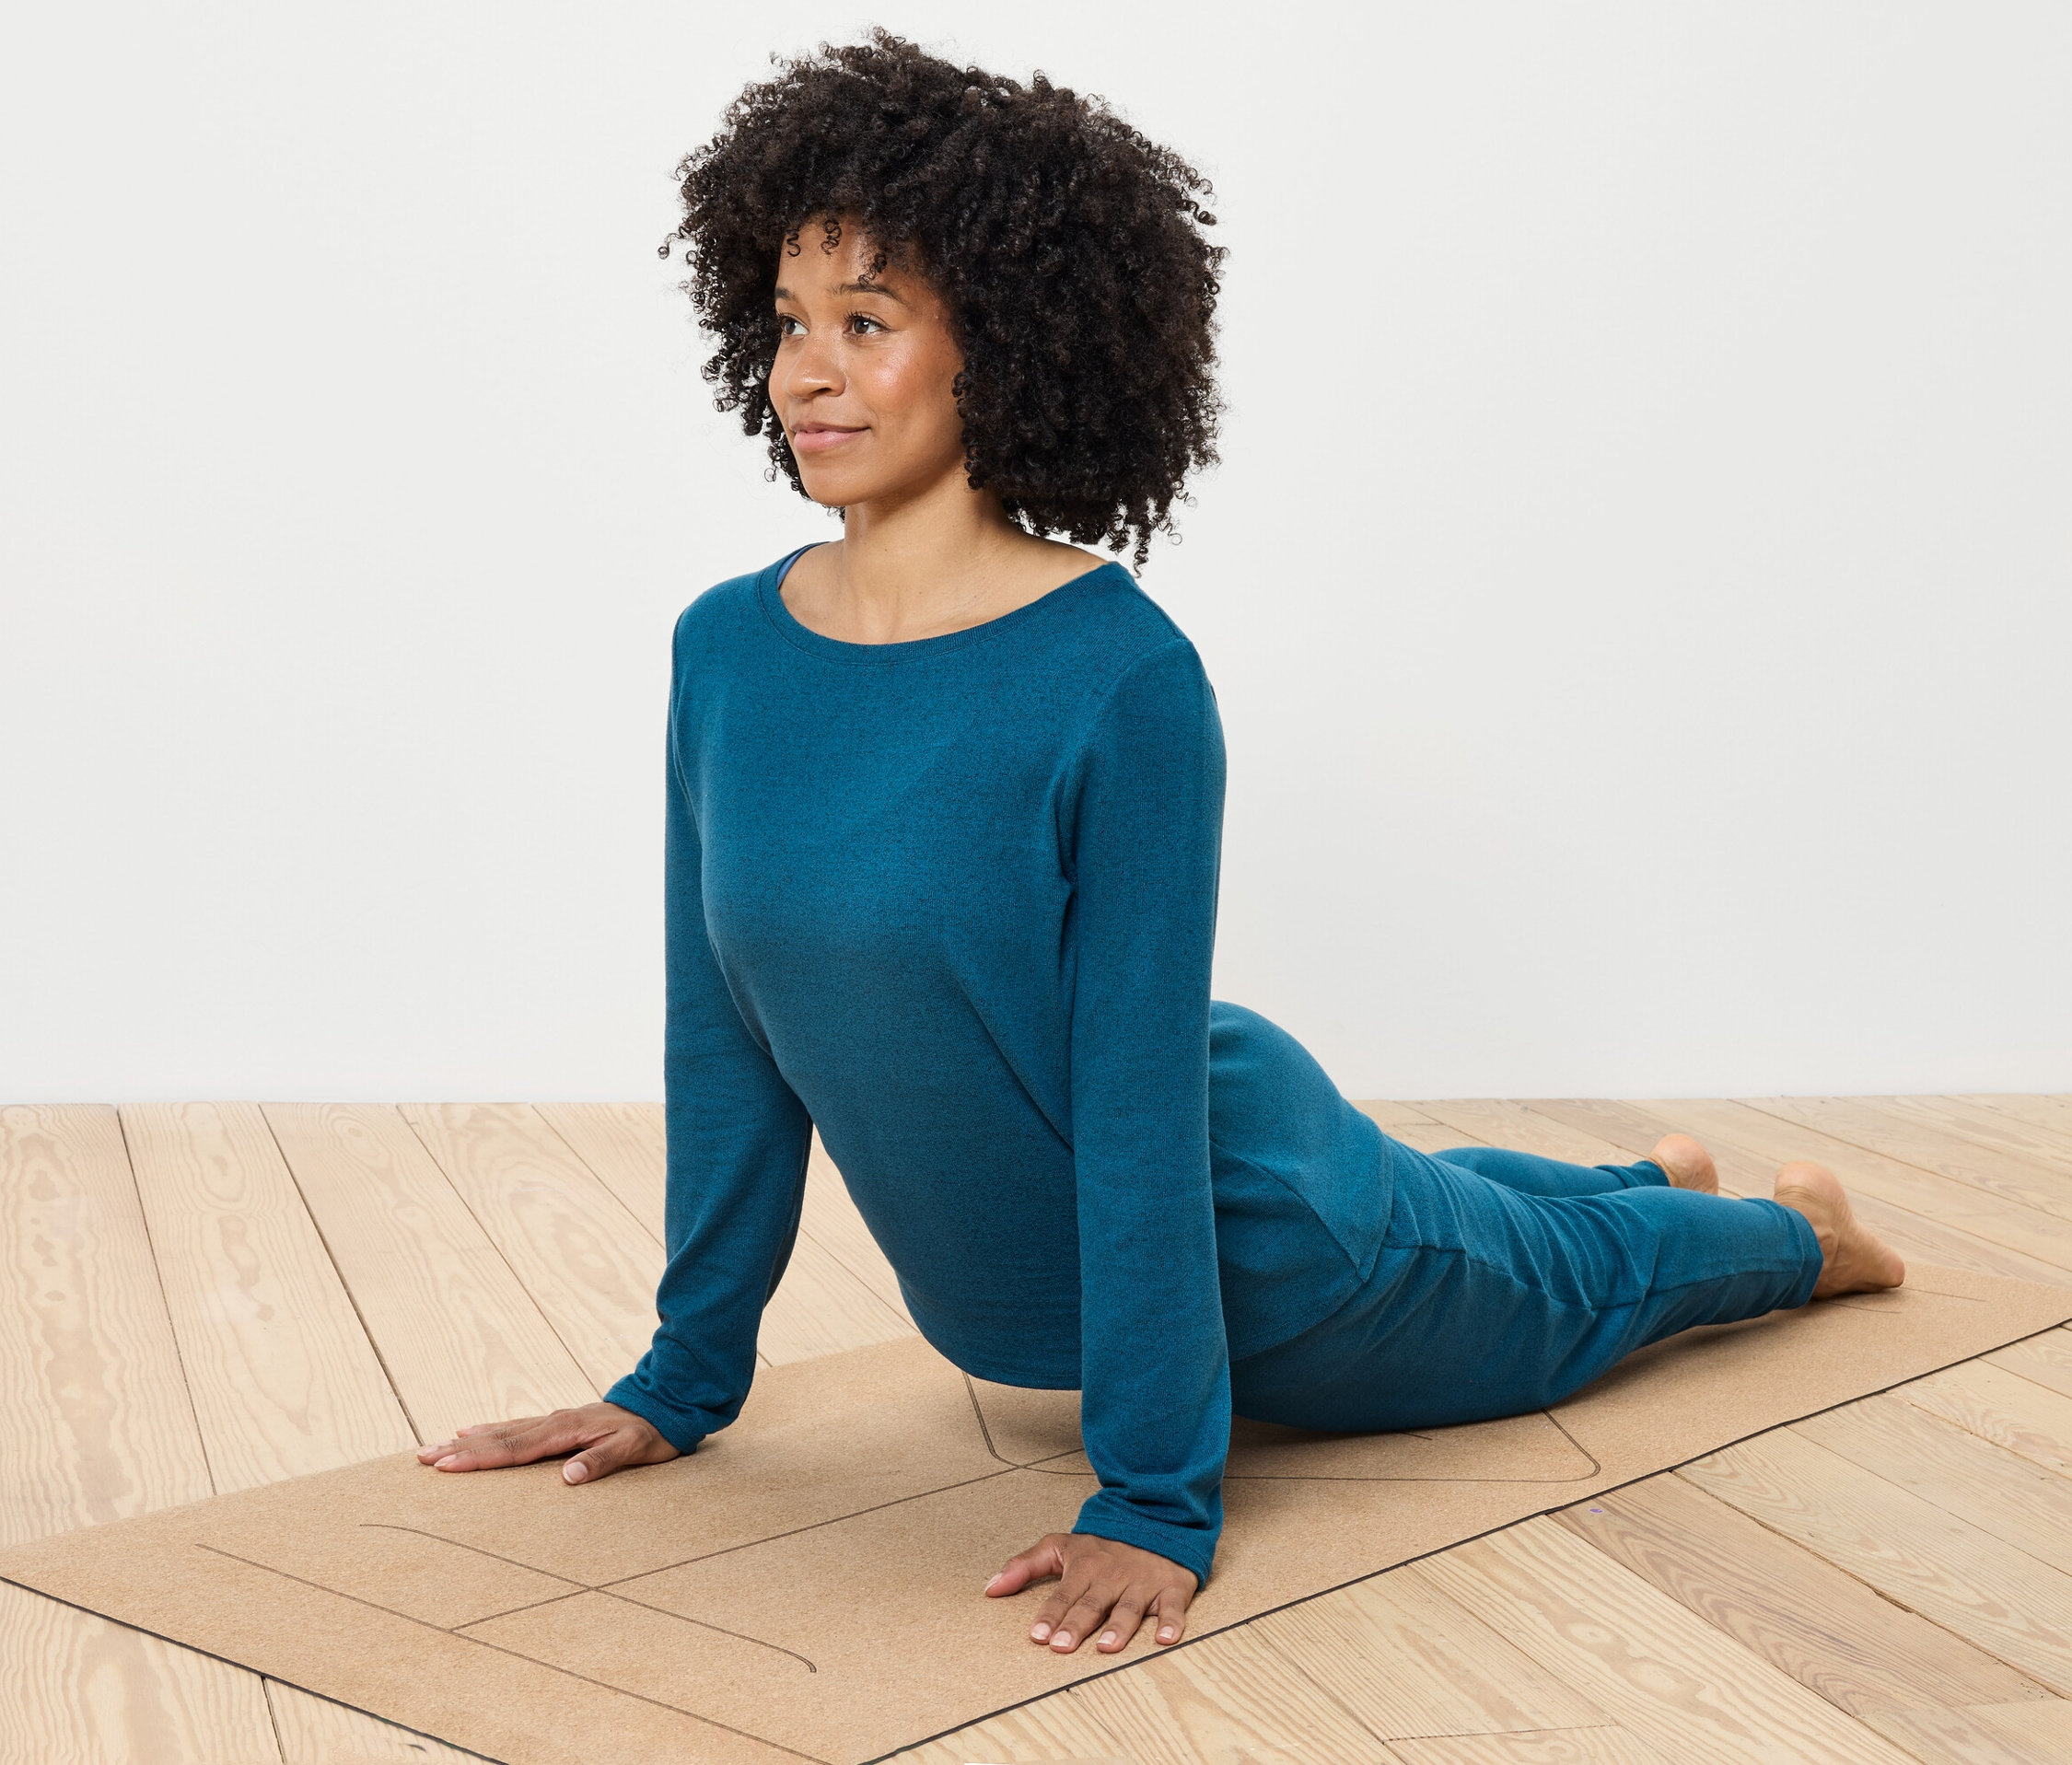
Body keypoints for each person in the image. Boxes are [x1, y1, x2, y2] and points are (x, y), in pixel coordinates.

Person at [416, 28, 1904, 1661]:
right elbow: (729, 1047)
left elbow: (1132, 1110)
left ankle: (1786, 1234)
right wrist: (680, 1385)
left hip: (1272, 1244)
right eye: (785, 322)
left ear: (1006, 348)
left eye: (867, 323)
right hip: (1131, 1251)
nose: (806, 372)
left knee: (1570, 1293)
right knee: (1495, 1216)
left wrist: (1152, 1492)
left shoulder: (1119, 677)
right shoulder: (724, 650)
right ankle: (1633, 1180)